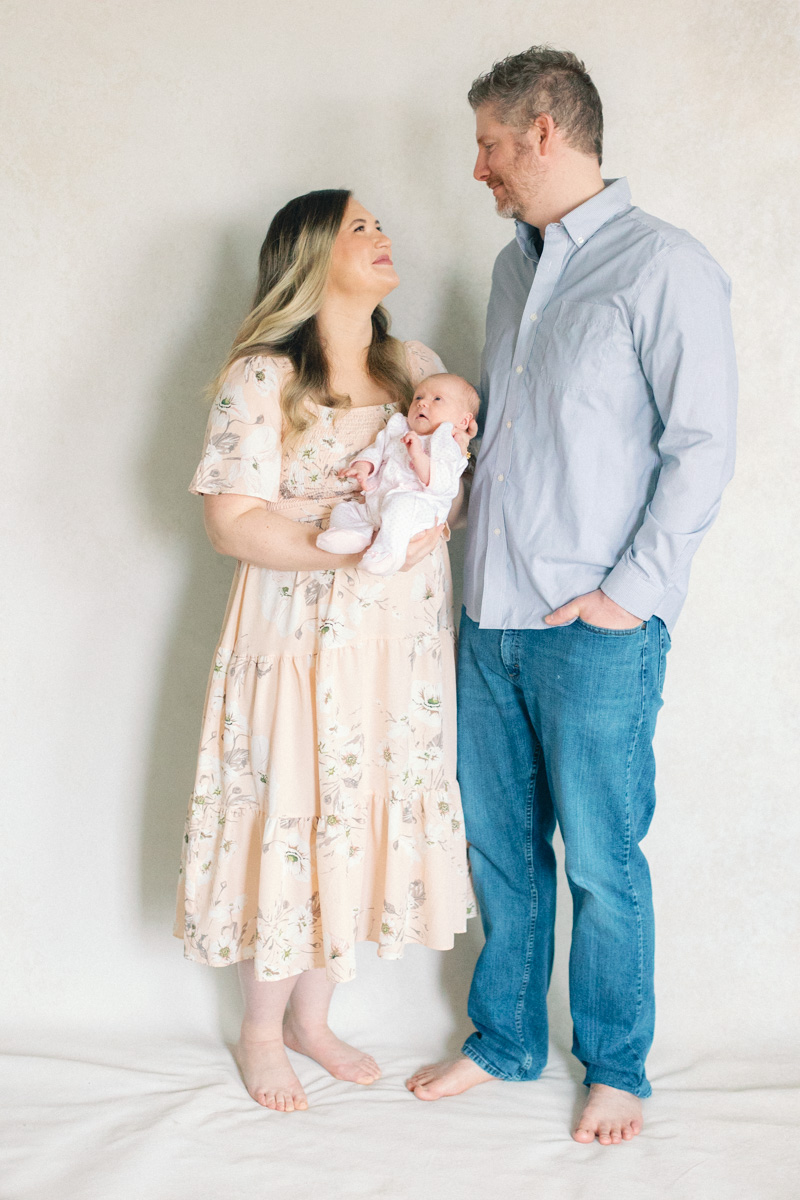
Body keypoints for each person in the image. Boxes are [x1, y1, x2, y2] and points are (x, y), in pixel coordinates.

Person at [406, 47, 737, 1146]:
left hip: (593, 632)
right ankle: (502, 1041)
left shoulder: (663, 266)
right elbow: (532, 429)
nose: (478, 170)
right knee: (500, 850)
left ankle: (616, 1066)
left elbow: (700, 448)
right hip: (487, 616)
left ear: (543, 131)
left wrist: (627, 595)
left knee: (600, 858)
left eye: (490, 145)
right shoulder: (512, 270)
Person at [175, 189, 476, 1113]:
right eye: (360, 227)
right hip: (298, 638)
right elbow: (232, 523)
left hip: (398, 646)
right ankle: (261, 1031)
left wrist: (422, 525)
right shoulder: (264, 376)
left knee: (357, 811)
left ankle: (313, 1019)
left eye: (382, 221)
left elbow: (451, 475)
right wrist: (346, 548)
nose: (384, 236)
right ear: (310, 256)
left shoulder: (416, 365)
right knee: (292, 806)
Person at [317, 372, 478, 574]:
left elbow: (443, 483)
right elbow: (378, 449)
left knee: (399, 506)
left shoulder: (446, 439)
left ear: (463, 421)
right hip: (378, 503)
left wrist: (418, 455)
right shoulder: (398, 427)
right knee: (345, 510)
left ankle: (388, 554)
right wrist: (363, 466)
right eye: (418, 397)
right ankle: (354, 534)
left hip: (416, 507)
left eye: (437, 399)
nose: (422, 404)